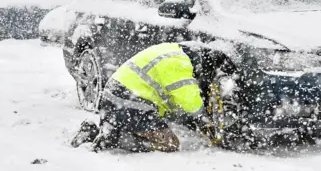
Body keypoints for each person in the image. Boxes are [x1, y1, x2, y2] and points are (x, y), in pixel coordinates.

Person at [71, 41, 234, 152]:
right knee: (170, 143)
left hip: (117, 98)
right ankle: (110, 139)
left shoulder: (174, 50)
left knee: (134, 125)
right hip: (130, 102)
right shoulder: (179, 63)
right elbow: (189, 100)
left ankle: (99, 130)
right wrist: (205, 120)